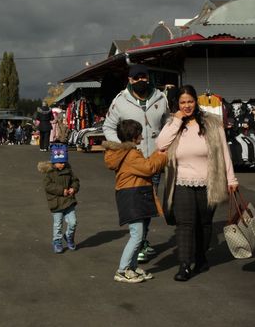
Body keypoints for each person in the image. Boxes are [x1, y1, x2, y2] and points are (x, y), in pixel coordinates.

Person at [156, 84, 239, 282]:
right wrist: (177, 120)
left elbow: (223, 153)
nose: (187, 106)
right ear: (177, 104)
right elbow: (161, 144)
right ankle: (184, 264)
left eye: (190, 101)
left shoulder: (212, 123)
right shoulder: (173, 123)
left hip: (208, 181)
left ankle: (201, 257)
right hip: (181, 181)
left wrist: (231, 178)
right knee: (185, 224)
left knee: (204, 223)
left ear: (196, 102)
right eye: (182, 102)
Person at [102, 64, 169, 262]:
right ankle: (138, 243)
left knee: (148, 204)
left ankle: (143, 240)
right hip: (132, 162)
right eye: (136, 77)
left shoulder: (160, 97)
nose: (141, 80)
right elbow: (108, 126)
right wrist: (124, 147)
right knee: (136, 204)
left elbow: (167, 124)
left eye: (144, 77)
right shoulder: (120, 101)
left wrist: (164, 146)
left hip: (154, 160)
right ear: (130, 80)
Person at [104, 119, 167, 283]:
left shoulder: (126, 153)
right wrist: (161, 156)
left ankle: (131, 267)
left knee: (139, 233)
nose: (142, 137)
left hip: (134, 194)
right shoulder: (131, 154)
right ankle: (122, 270)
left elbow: (145, 165)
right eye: (140, 133)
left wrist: (155, 155)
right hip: (133, 195)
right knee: (137, 235)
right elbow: (149, 168)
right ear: (134, 136)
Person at [39, 143, 80, 253]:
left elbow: (75, 181)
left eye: (63, 162)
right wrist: (62, 190)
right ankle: (57, 241)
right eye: (59, 162)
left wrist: (73, 188)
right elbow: (48, 186)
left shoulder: (69, 171)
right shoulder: (50, 173)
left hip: (69, 201)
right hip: (56, 203)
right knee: (58, 224)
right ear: (53, 161)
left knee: (73, 222)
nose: (61, 164)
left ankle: (69, 236)